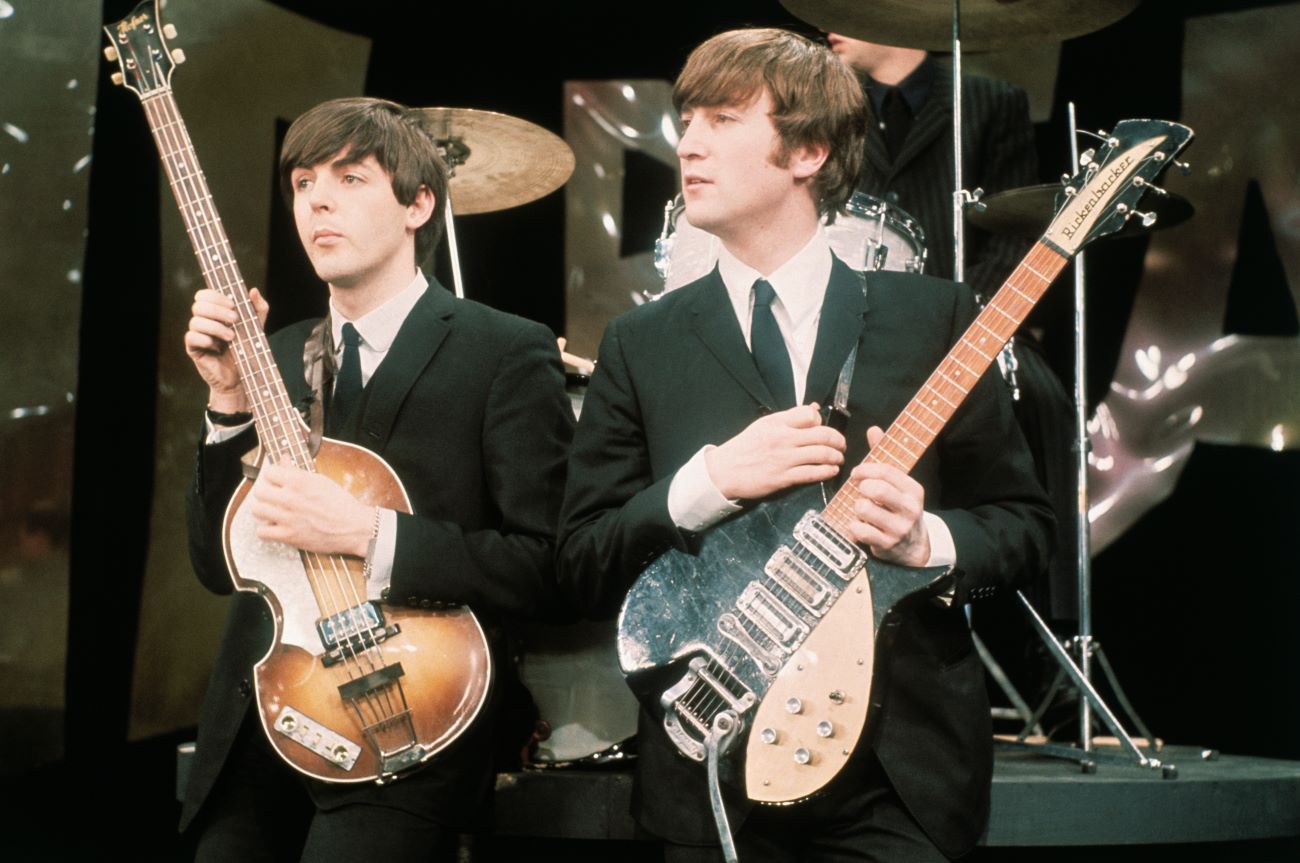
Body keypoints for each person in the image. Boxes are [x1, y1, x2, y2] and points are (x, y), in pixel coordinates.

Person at [557, 29, 1053, 861]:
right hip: (712, 771)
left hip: (900, 779)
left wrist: (925, 538)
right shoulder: (641, 342)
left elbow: (1026, 527)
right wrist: (707, 482)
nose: (690, 142)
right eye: (688, 119)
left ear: (810, 151)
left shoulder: (931, 316)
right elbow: (576, 561)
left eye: (722, 118)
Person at [180, 97, 572, 861]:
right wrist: (227, 404)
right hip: (262, 716)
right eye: (302, 182)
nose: (317, 199)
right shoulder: (274, 353)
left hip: (405, 720)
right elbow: (215, 565)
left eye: (351, 178)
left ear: (418, 203)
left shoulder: (504, 351)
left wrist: (365, 533)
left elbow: (550, 564)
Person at [826, 33, 1037, 303]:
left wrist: (959, 306)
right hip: (858, 318)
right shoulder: (835, 111)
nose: (827, 25)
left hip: (966, 319)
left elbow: (1015, 231)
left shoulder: (991, 100)